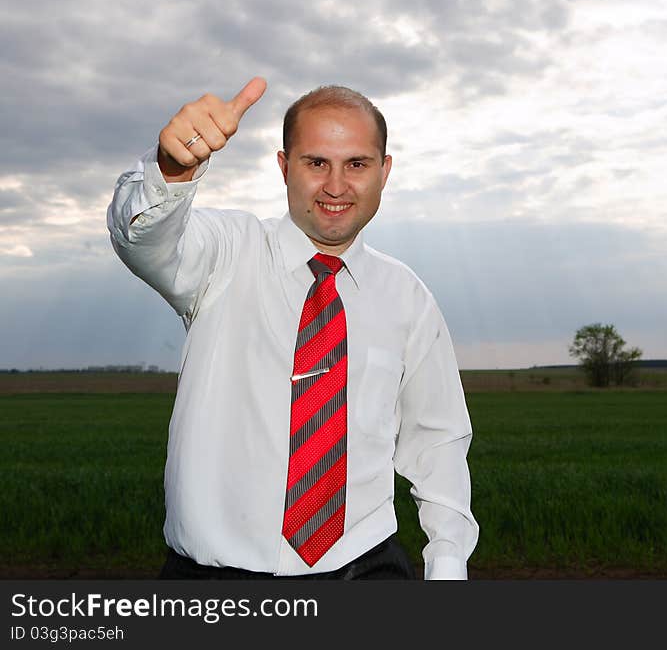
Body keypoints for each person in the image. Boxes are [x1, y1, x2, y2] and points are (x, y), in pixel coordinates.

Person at [107, 77, 478, 580]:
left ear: (384, 172)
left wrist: (448, 565)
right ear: (284, 167)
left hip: (367, 570)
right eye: (316, 162)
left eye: (357, 164)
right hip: (216, 581)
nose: (336, 186)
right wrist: (173, 169)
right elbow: (144, 240)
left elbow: (437, 439)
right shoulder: (225, 253)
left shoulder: (407, 297)